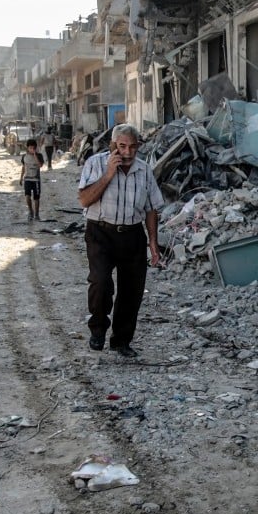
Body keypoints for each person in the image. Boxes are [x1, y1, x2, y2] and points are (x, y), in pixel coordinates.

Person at [77, 124, 163, 355]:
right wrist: (108, 175)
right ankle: (98, 330)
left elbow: (151, 209)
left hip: (132, 234)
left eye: (133, 147)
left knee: (132, 290)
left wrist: (152, 243)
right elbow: (84, 200)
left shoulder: (144, 170)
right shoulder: (95, 164)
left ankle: (122, 340)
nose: (127, 152)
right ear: (112, 145)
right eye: (122, 146)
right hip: (100, 232)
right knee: (100, 282)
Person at [20, 138, 45, 222]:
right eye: (30, 148)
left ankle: (37, 214)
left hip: (36, 180)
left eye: (33, 148)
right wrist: (21, 177)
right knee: (27, 196)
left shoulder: (39, 156)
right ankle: (31, 211)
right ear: (27, 148)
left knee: (36, 198)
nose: (32, 149)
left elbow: (40, 165)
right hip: (27, 179)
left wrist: (35, 156)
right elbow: (23, 167)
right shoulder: (24, 157)